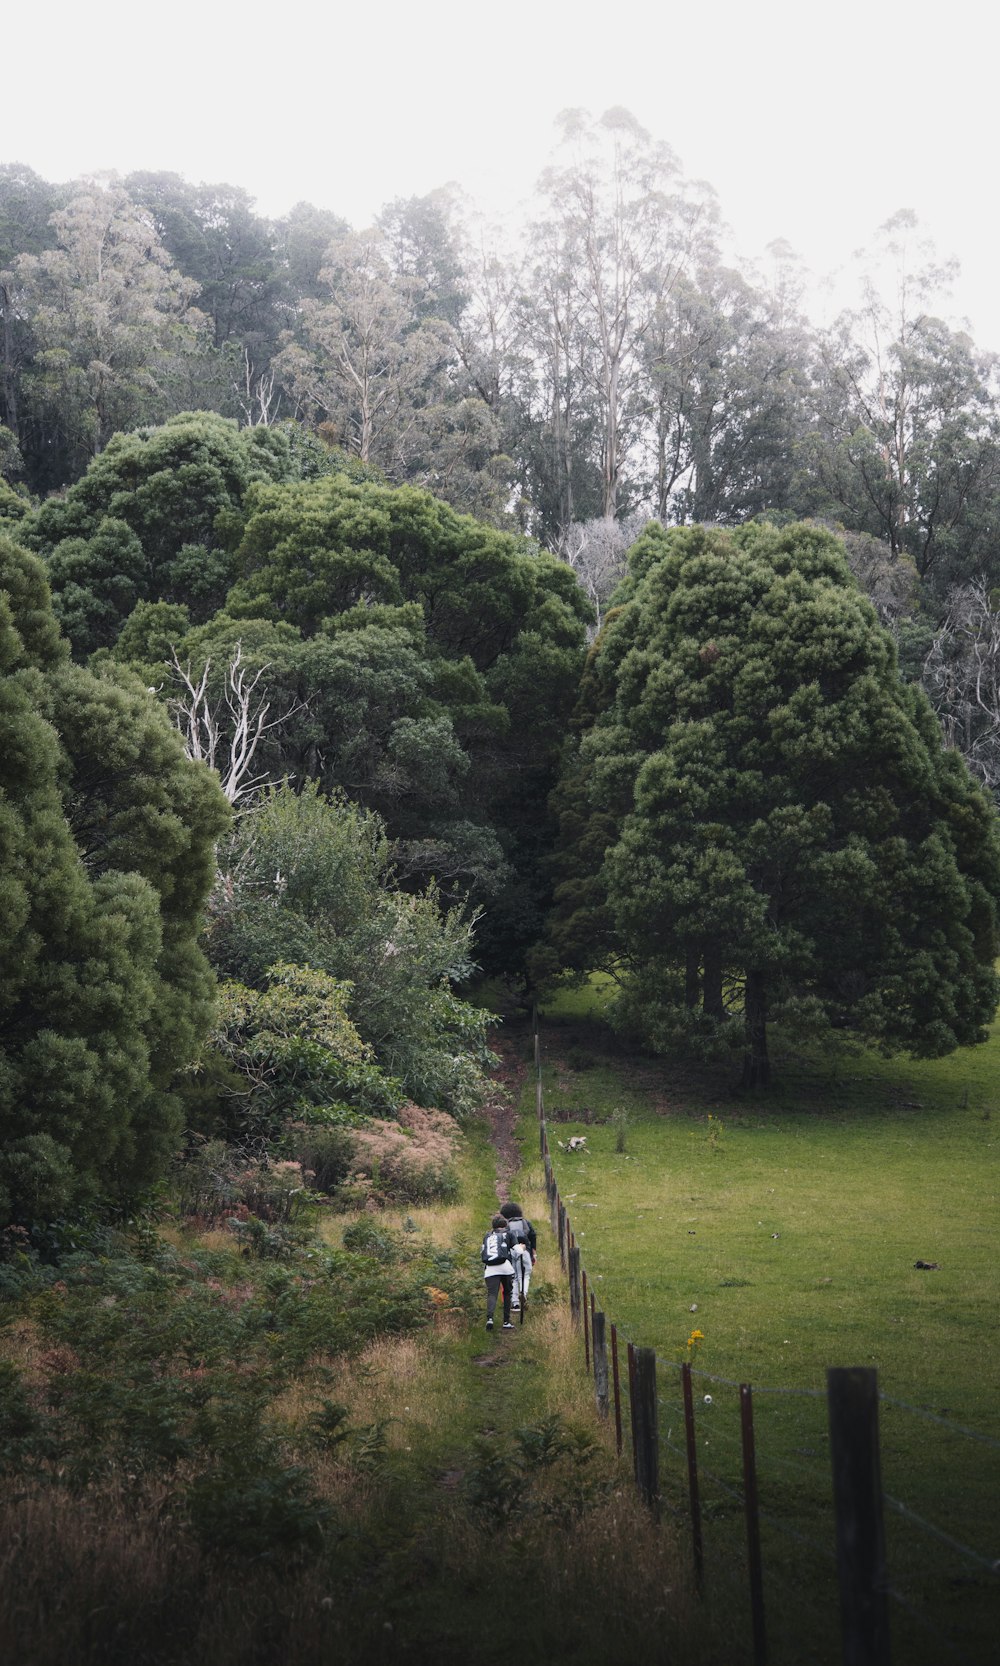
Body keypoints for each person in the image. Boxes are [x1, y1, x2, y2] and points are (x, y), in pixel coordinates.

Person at [499, 1200, 536, 1311]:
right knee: (525, 1275)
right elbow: (533, 1236)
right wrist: (533, 1252)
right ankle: (523, 1294)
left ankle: (515, 1303)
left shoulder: (507, 1225)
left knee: (514, 1277)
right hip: (525, 1251)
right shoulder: (525, 1222)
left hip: (512, 1252)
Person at [481, 1213, 515, 1330]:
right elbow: (518, 1251)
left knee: (492, 1294)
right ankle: (506, 1321)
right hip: (505, 1267)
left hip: (490, 1269)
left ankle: (490, 1318)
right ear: (505, 1225)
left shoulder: (487, 1236)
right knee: (507, 1293)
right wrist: (523, 1247)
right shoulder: (509, 1234)